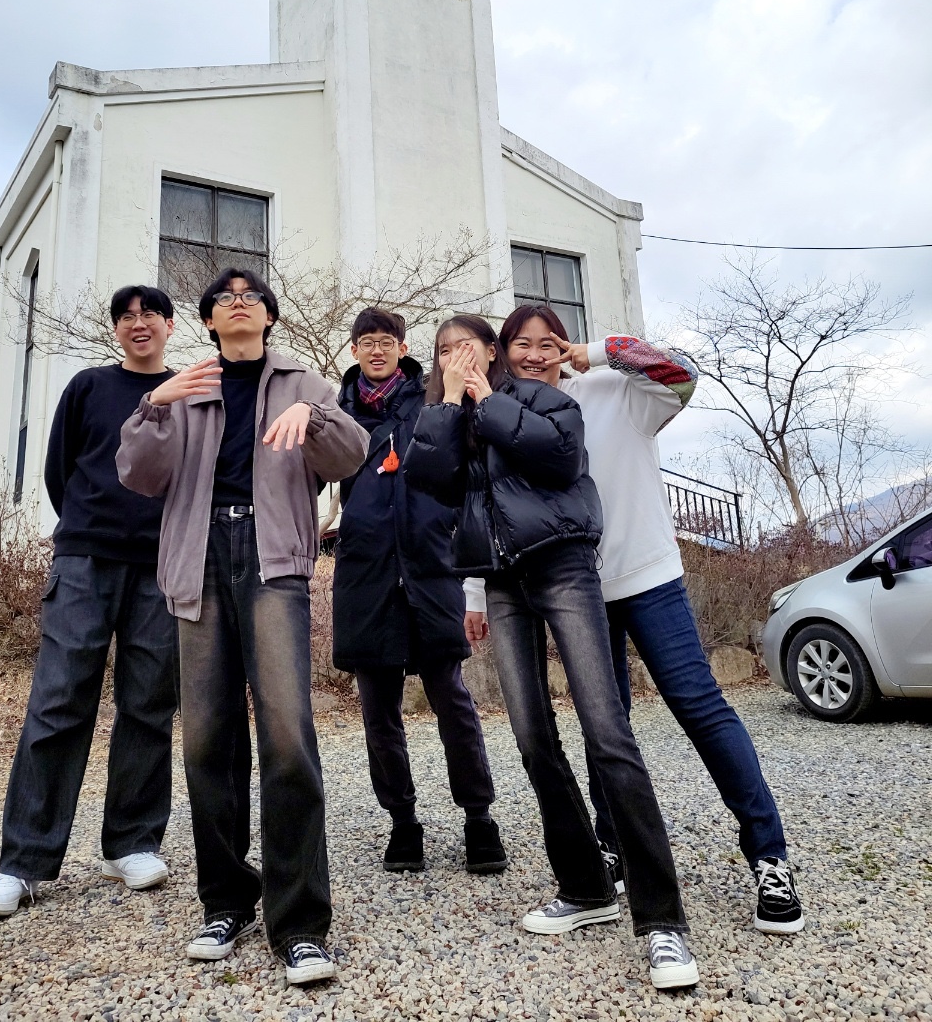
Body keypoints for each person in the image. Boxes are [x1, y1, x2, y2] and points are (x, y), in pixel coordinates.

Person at [404, 315, 700, 992]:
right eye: (444, 352)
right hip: (501, 581)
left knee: (607, 730)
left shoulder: (542, 396)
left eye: (467, 347)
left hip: (565, 566)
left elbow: (560, 457)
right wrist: (449, 404)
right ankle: (585, 885)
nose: (456, 358)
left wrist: (488, 399)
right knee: (533, 736)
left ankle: (662, 920)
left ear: (493, 352)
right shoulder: (449, 417)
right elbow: (428, 479)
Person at [488, 304, 804, 936]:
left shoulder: (616, 390)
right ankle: (616, 851)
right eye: (521, 344)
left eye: (547, 342)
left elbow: (681, 373)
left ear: (564, 345)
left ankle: (769, 856)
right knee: (607, 727)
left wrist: (598, 352)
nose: (535, 354)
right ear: (503, 353)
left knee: (700, 705)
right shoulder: (505, 416)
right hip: (575, 591)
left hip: (648, 574)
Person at [116, 267, 368, 986]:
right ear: (207, 320)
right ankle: (226, 900)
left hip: (272, 557)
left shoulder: (302, 381)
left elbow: (351, 455)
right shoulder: (188, 385)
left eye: (249, 296)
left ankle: (301, 923)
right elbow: (139, 475)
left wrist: (313, 418)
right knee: (206, 739)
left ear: (269, 315)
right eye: (223, 299)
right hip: (197, 559)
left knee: (286, 735)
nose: (237, 303)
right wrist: (155, 404)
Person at [0, 285, 180, 918]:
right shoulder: (89, 386)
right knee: (59, 699)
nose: (138, 323)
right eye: (126, 316)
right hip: (85, 560)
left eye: (150, 314)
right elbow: (59, 471)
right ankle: (24, 863)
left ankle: (132, 843)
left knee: (148, 704)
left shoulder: (186, 391)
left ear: (170, 326)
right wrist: (91, 524)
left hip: (161, 567)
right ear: (116, 330)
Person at [333, 308, 506, 875]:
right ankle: (403, 822)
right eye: (366, 342)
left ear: (403, 347)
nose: (376, 350)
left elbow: (462, 465)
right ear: (354, 350)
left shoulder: (431, 395)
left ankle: (479, 817)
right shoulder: (340, 411)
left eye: (386, 341)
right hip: (365, 571)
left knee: (451, 697)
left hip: (430, 565)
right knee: (378, 709)